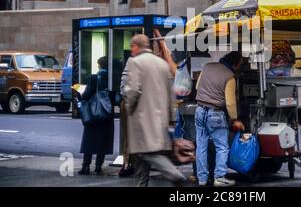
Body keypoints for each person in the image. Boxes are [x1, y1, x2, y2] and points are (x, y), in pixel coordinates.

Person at [122, 34, 186, 187]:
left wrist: (128, 106)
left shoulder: (135, 62)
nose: (131, 50)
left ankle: (174, 174)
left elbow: (133, 91)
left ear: (137, 46)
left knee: (146, 153)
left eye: (132, 46)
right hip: (160, 120)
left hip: (142, 120)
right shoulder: (162, 64)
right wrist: (171, 119)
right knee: (141, 160)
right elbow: (170, 94)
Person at [195, 51, 244, 187]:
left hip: (199, 110)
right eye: (240, 64)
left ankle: (202, 179)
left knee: (201, 146)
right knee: (222, 147)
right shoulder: (230, 77)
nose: (240, 67)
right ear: (235, 63)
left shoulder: (207, 67)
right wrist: (235, 119)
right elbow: (230, 102)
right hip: (215, 113)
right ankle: (219, 177)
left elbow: (197, 87)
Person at [78, 56, 114, 175]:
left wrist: (79, 95)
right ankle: (98, 166)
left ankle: (86, 166)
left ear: (100, 65)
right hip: (107, 114)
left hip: (94, 115)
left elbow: (87, 95)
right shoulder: (112, 78)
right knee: (102, 142)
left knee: (89, 141)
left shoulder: (95, 77)